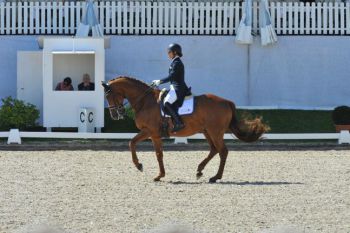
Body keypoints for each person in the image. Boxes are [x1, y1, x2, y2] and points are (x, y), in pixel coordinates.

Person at [152, 43, 190, 133]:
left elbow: (171, 77)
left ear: (175, 52)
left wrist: (159, 81)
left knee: (166, 102)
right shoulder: (174, 62)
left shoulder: (177, 63)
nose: (168, 54)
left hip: (178, 88)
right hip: (174, 87)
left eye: (169, 52)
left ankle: (179, 123)